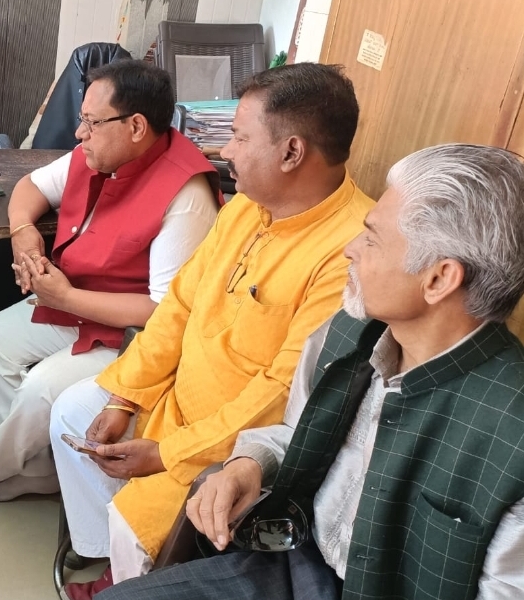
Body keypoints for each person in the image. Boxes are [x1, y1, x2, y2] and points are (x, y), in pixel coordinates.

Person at [99, 142, 524, 600]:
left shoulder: (511, 433)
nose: (350, 250)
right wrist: (249, 464)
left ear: (439, 278)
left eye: (371, 239)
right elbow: (295, 431)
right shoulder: (346, 334)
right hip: (296, 556)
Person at [49, 62, 375, 598]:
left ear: (291, 152)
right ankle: (105, 557)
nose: (225, 151)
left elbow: (281, 395)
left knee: (135, 521)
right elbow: (179, 304)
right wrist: (126, 398)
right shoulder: (245, 206)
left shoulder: (347, 254)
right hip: (173, 400)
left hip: (227, 442)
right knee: (73, 413)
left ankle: (129, 578)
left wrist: (168, 453)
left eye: (240, 137)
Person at [0, 59, 221, 502]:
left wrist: (65, 297)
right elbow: (30, 187)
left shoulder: (187, 195)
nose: (78, 133)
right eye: (81, 119)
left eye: (91, 122)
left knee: (42, 387)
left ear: (136, 126)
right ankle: (43, 468)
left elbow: (163, 313)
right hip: (78, 300)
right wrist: (23, 233)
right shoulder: (100, 152)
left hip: (133, 334)